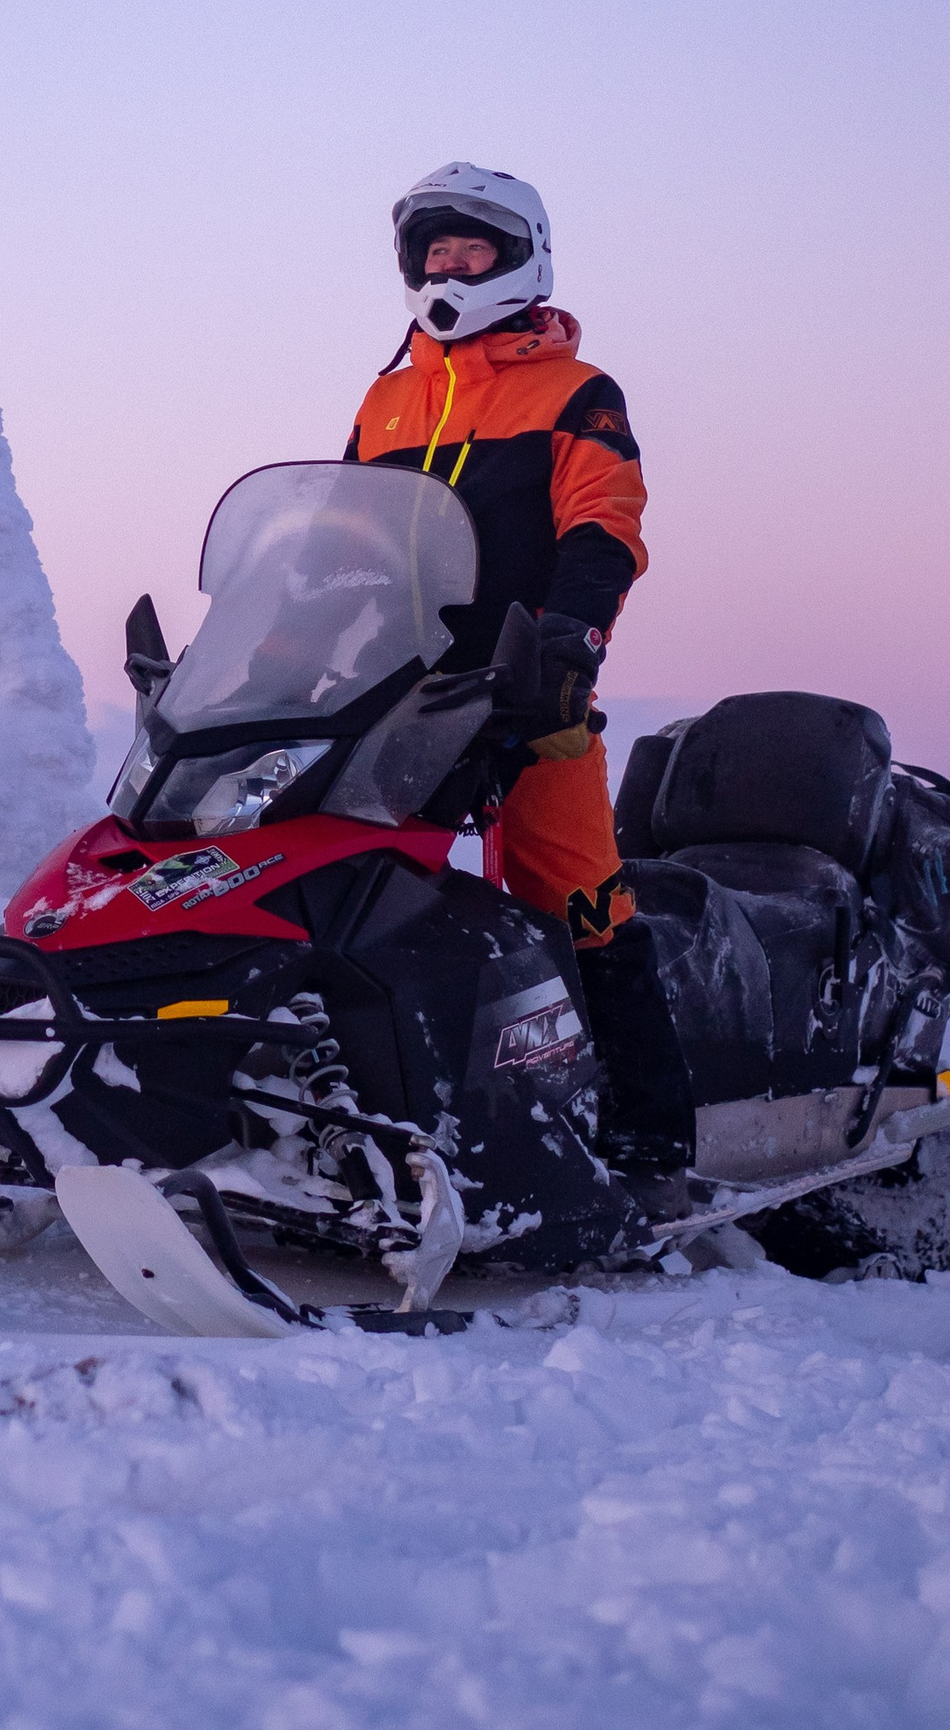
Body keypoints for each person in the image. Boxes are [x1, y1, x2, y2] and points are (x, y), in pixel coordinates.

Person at [345, 160, 693, 1197]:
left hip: (526, 683)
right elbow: (340, 540)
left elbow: (603, 525)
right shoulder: (387, 397)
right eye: (434, 250)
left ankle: (650, 1138)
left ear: (520, 258)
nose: (449, 265)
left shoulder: (574, 391)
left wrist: (568, 638)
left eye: (471, 248)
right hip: (392, 696)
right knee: (343, 878)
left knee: (576, 893)